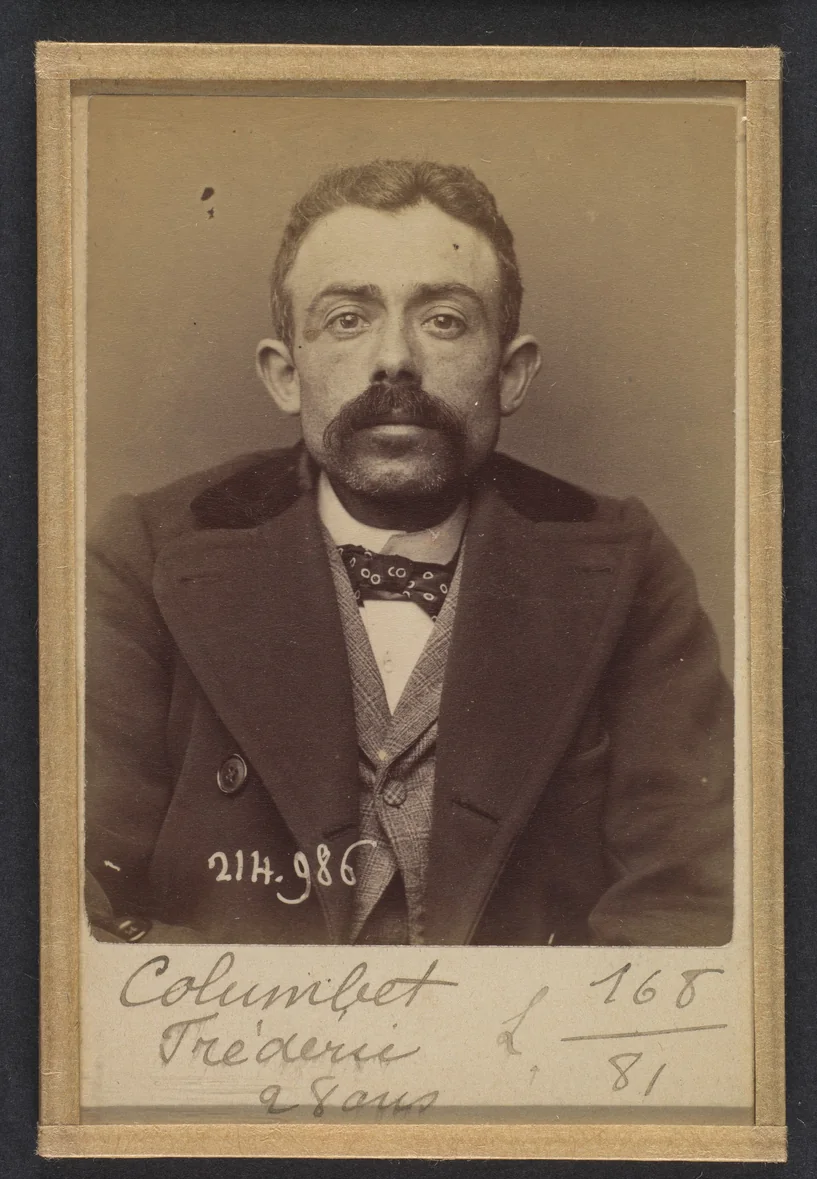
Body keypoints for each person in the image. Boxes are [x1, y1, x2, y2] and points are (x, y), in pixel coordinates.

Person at [85, 158, 733, 947]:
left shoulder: (628, 565)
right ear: (286, 374)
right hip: (236, 1050)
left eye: (444, 320)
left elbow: (685, 905)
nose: (395, 360)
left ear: (512, 373)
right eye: (348, 319)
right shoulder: (145, 555)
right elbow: (75, 893)